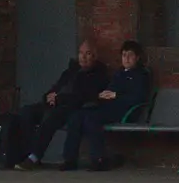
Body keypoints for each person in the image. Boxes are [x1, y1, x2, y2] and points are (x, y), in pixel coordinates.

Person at [13, 39, 114, 171]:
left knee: (50, 119)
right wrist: (49, 96)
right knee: (26, 112)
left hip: (70, 108)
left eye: (88, 53)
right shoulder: (71, 71)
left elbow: (83, 96)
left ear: (94, 56)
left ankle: (34, 157)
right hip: (54, 103)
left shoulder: (98, 75)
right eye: (81, 53)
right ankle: (24, 153)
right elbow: (56, 87)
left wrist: (59, 99)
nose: (83, 57)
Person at [63, 40, 151, 172]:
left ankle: (98, 159)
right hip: (108, 107)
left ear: (137, 58)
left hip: (125, 110)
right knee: (77, 116)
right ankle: (70, 160)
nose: (126, 59)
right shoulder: (119, 73)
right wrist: (103, 95)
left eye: (130, 55)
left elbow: (138, 97)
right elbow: (110, 90)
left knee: (91, 119)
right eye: (124, 55)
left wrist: (116, 96)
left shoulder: (141, 75)